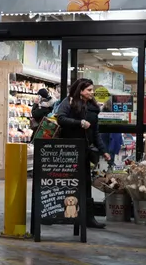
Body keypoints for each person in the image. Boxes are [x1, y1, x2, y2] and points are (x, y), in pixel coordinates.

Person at [56, 78, 110, 229]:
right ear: (81, 90)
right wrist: (78, 123)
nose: (92, 93)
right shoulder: (69, 102)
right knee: (68, 183)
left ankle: (88, 218)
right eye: (89, 90)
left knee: (86, 183)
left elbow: (96, 132)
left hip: (85, 150)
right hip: (70, 150)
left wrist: (104, 150)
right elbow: (60, 118)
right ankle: (63, 213)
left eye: (92, 90)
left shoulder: (93, 108)